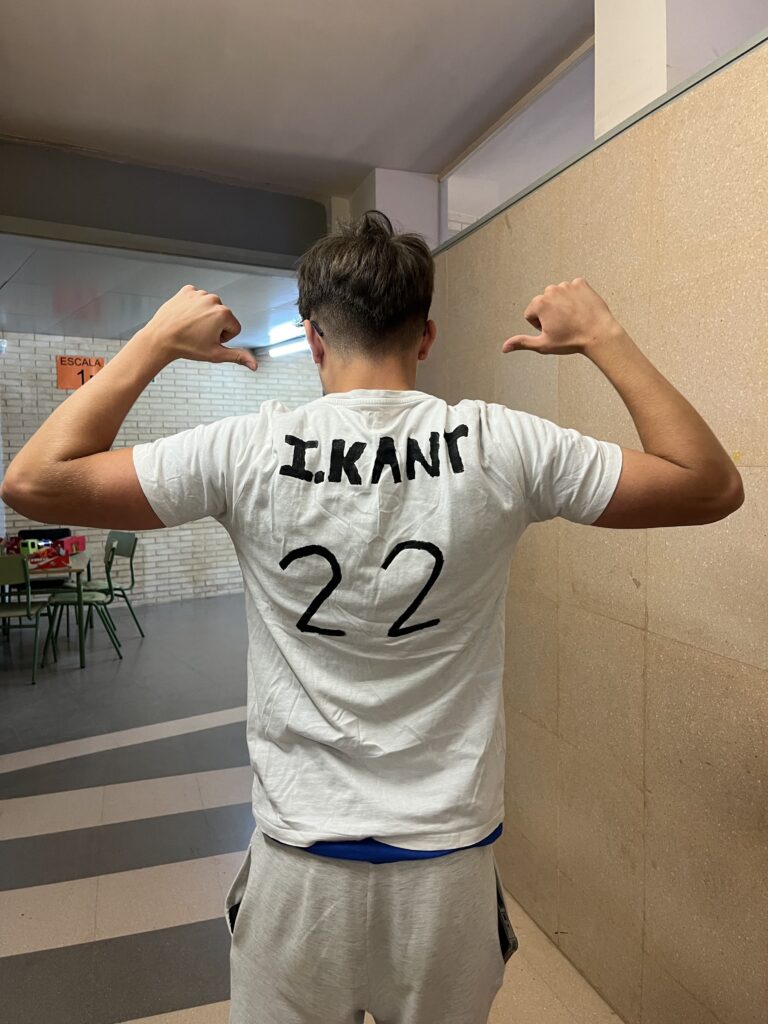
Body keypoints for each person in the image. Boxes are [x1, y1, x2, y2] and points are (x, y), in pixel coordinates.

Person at [1, 210, 744, 1024]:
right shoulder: (503, 445)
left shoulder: (246, 448)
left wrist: (153, 341)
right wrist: (604, 335)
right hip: (446, 869)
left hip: (298, 866)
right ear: (425, 337)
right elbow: (709, 484)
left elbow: (34, 481)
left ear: (313, 338)